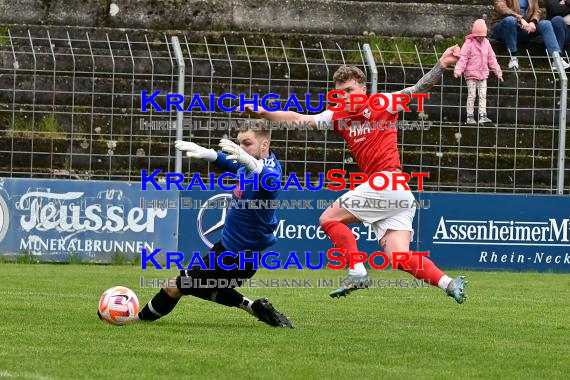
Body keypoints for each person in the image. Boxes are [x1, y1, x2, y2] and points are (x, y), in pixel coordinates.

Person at [241, 46, 468, 304]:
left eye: (349, 90)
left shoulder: (383, 102)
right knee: (400, 258)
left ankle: (357, 271)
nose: (345, 97)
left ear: (362, 87)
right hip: (398, 193)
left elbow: (419, 89)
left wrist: (441, 64)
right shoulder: (338, 116)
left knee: (328, 219)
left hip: (387, 184)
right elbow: (300, 119)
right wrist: (263, 113)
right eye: (340, 93)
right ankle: (449, 283)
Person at [130, 123, 294, 328]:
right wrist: (208, 154)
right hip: (225, 249)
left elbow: (271, 180)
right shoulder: (249, 166)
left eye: (247, 143)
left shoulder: (269, 171)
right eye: (239, 143)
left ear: (265, 145)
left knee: (175, 286)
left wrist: (252, 163)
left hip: (237, 257)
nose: (241, 148)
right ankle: (255, 307)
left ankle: (137, 320)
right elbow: (231, 162)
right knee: (207, 288)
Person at [490, 0, 570, 70]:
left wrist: (533, 21)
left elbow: (537, 11)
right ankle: (513, 57)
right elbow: (500, 7)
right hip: (502, 29)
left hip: (522, 29)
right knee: (510, 20)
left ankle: (556, 59)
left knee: (546, 24)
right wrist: (519, 19)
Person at [454, 19, 504, 125]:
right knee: (472, 95)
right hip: (471, 74)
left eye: (483, 35)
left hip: (483, 74)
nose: (481, 37)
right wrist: (458, 70)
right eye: (479, 35)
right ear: (475, 34)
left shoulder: (487, 43)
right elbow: (463, 59)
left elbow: (492, 58)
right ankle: (470, 116)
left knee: (483, 95)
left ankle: (482, 115)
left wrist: (498, 71)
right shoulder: (468, 44)